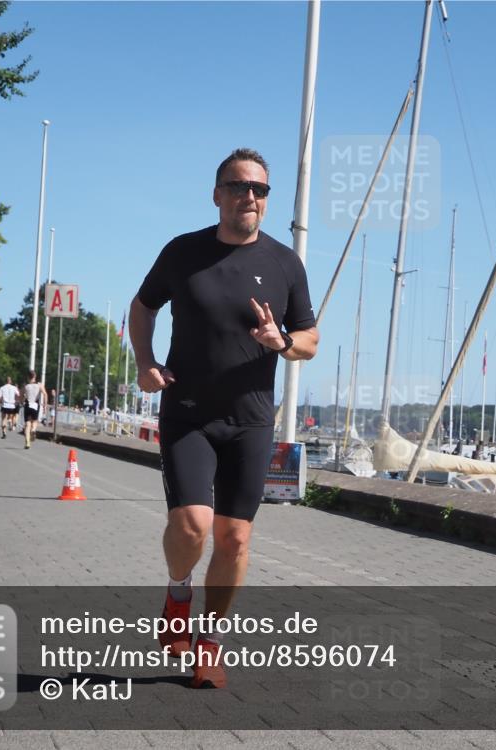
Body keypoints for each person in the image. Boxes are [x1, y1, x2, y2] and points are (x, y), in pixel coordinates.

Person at [131, 148, 318, 689]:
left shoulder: (285, 264)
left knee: (234, 540)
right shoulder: (183, 253)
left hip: (251, 421)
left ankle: (208, 643)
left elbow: (310, 339)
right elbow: (142, 307)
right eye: (239, 187)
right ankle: (177, 591)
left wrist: (281, 341)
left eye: (259, 189)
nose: (250, 197)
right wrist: (145, 364)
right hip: (188, 413)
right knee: (192, 524)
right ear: (217, 194)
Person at [22, 371, 45, 449]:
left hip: (27, 405)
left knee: (27, 424)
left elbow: (21, 395)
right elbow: (45, 394)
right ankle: (34, 430)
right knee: (35, 421)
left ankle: (27, 442)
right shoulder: (39, 385)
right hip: (35, 404)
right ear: (35, 376)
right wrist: (44, 404)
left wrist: (21, 401)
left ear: (28, 377)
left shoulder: (26, 386)